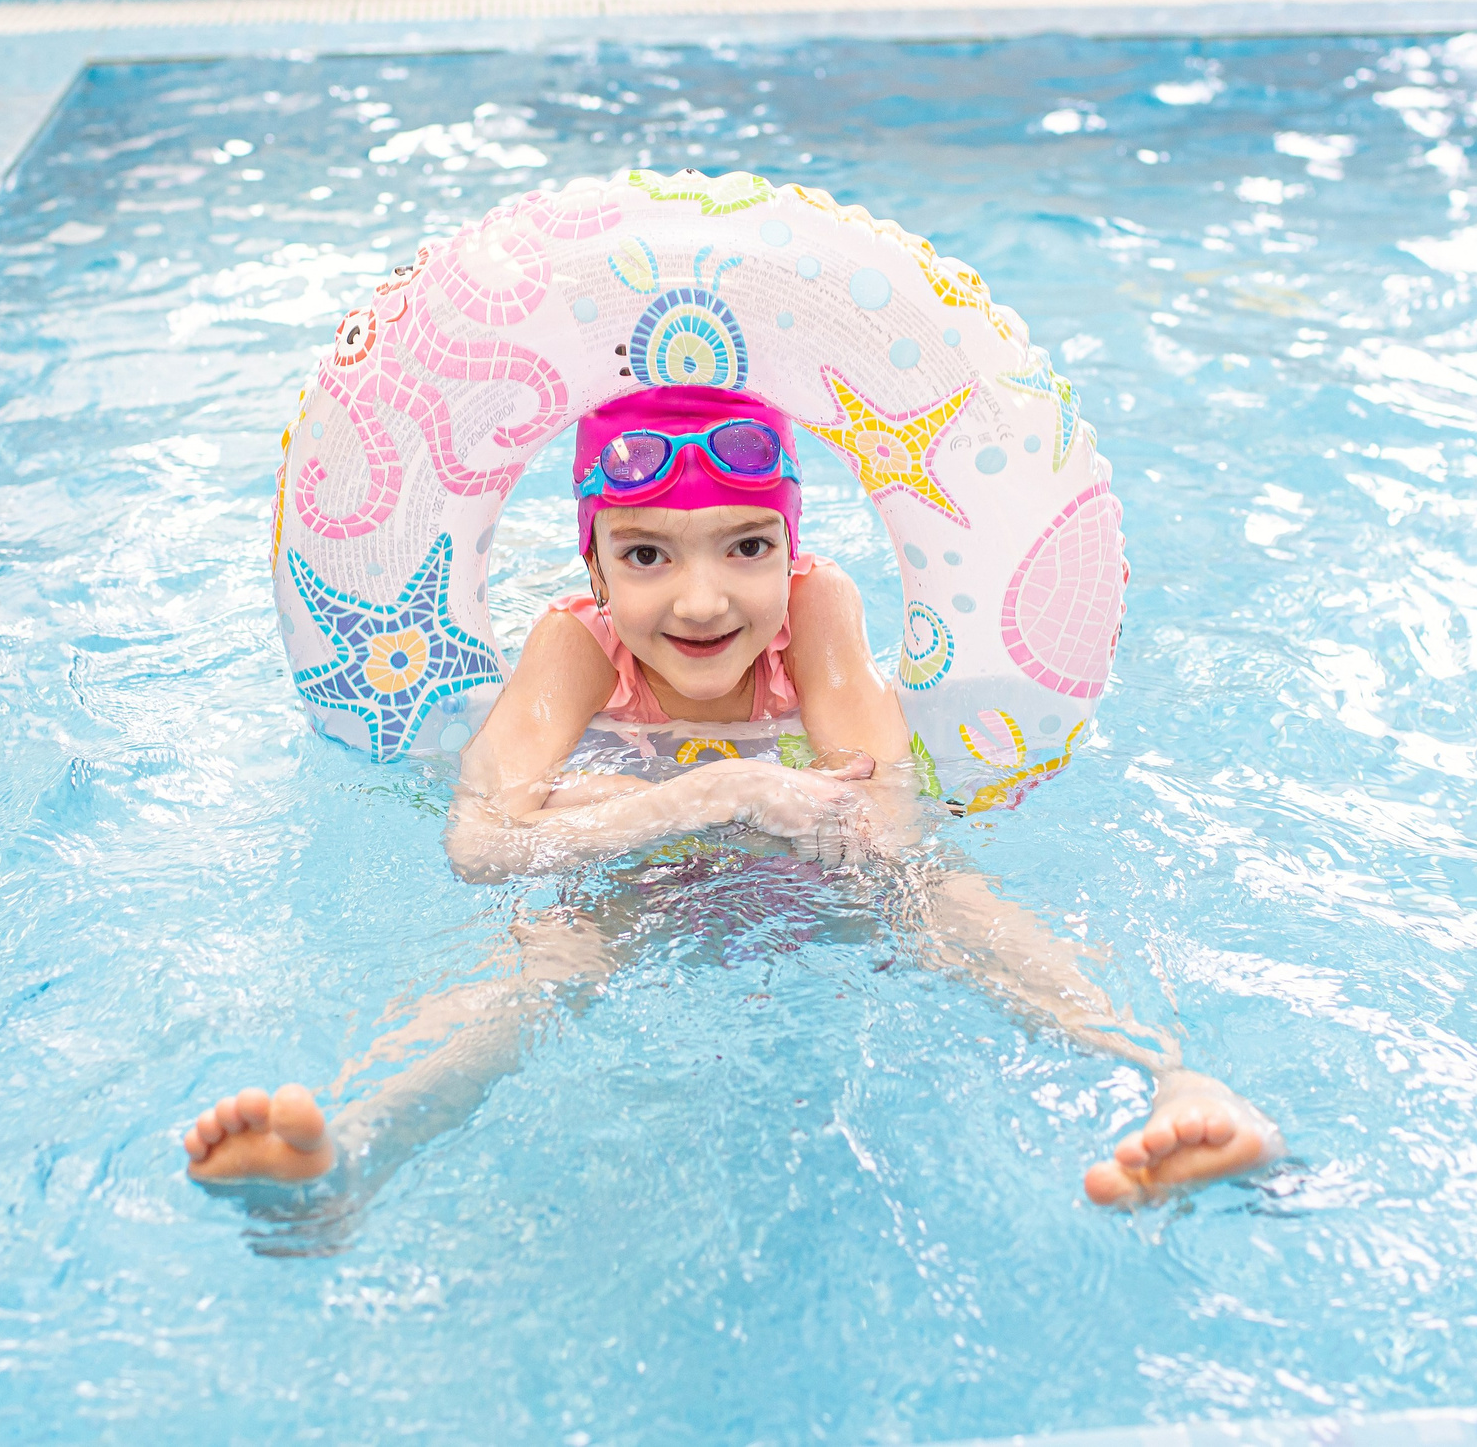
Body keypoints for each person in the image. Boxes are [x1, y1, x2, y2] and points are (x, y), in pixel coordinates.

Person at [181, 385, 1281, 1207]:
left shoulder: (818, 610)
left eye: (748, 546)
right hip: (631, 886)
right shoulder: (574, 645)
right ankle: (347, 1157)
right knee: (542, 955)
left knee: (949, 903)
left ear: (791, 549)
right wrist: (714, 798)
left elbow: (890, 824)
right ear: (597, 568)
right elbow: (476, 840)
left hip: (809, 876)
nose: (701, 599)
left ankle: (1176, 1083)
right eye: (647, 555)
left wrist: (614, 810)